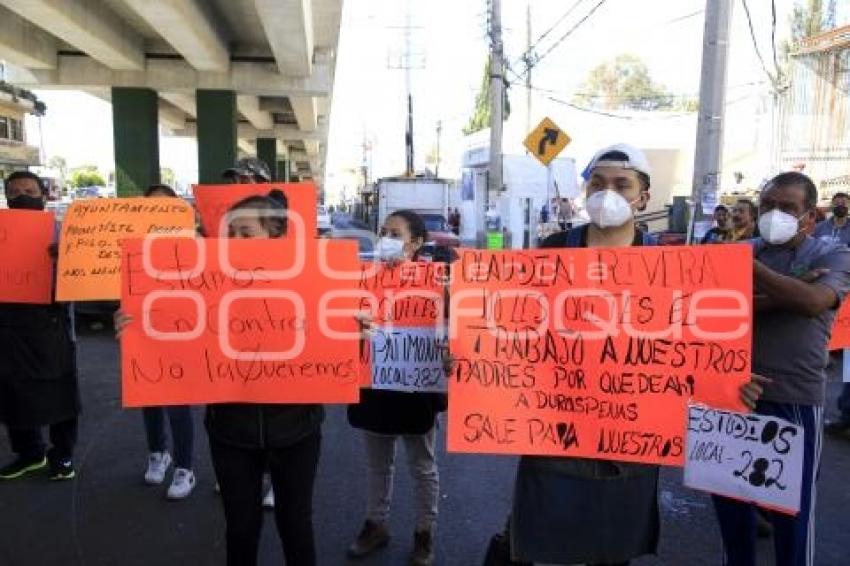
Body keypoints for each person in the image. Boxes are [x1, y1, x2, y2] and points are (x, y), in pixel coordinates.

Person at [506, 144, 765, 566]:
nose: (606, 192)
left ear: (642, 197)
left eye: (621, 184)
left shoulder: (673, 264)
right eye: (597, 183)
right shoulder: (550, 251)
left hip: (630, 438)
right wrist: (472, 360)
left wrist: (731, 383)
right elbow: (516, 328)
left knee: (612, 546)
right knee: (541, 539)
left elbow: (694, 348)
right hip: (554, 430)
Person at [116, 189, 320, 566]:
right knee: (240, 527)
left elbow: (334, 348)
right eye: (229, 235)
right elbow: (178, 343)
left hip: (297, 430)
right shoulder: (203, 283)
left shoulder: (315, 285)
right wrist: (136, 329)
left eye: (246, 233)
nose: (235, 243)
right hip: (231, 430)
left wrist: (356, 331)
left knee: (296, 526)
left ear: (276, 236)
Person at [712, 171, 850, 566]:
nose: (775, 213)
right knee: (732, 514)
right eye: (768, 205)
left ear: (810, 216)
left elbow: (812, 302)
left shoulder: (833, 254)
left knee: (792, 515)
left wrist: (750, 274)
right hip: (728, 395)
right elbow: (710, 308)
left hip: (793, 400)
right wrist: (791, 287)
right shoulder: (743, 248)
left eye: (787, 208)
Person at [346, 210, 450, 566]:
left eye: (395, 232)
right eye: (383, 231)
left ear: (417, 242)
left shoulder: (437, 283)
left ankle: (425, 532)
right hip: (373, 384)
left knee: (422, 465)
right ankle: (376, 524)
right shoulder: (361, 279)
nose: (386, 238)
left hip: (416, 388)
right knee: (378, 465)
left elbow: (454, 330)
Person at [0, 171, 80, 481]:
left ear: (43, 195)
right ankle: (29, 452)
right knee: (12, 392)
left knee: (60, 393)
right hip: (7, 328)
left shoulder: (62, 232)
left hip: (50, 327)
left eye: (30, 190)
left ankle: (63, 456)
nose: (23, 195)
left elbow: (81, 281)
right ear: (7, 197)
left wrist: (64, 261)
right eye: (15, 191)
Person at [137, 184, 197, 499]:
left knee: (176, 401)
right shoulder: (129, 244)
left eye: (164, 206)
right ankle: (158, 453)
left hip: (180, 331)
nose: (157, 213)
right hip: (142, 329)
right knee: (147, 396)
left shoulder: (193, 243)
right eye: (151, 207)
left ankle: (184, 468)